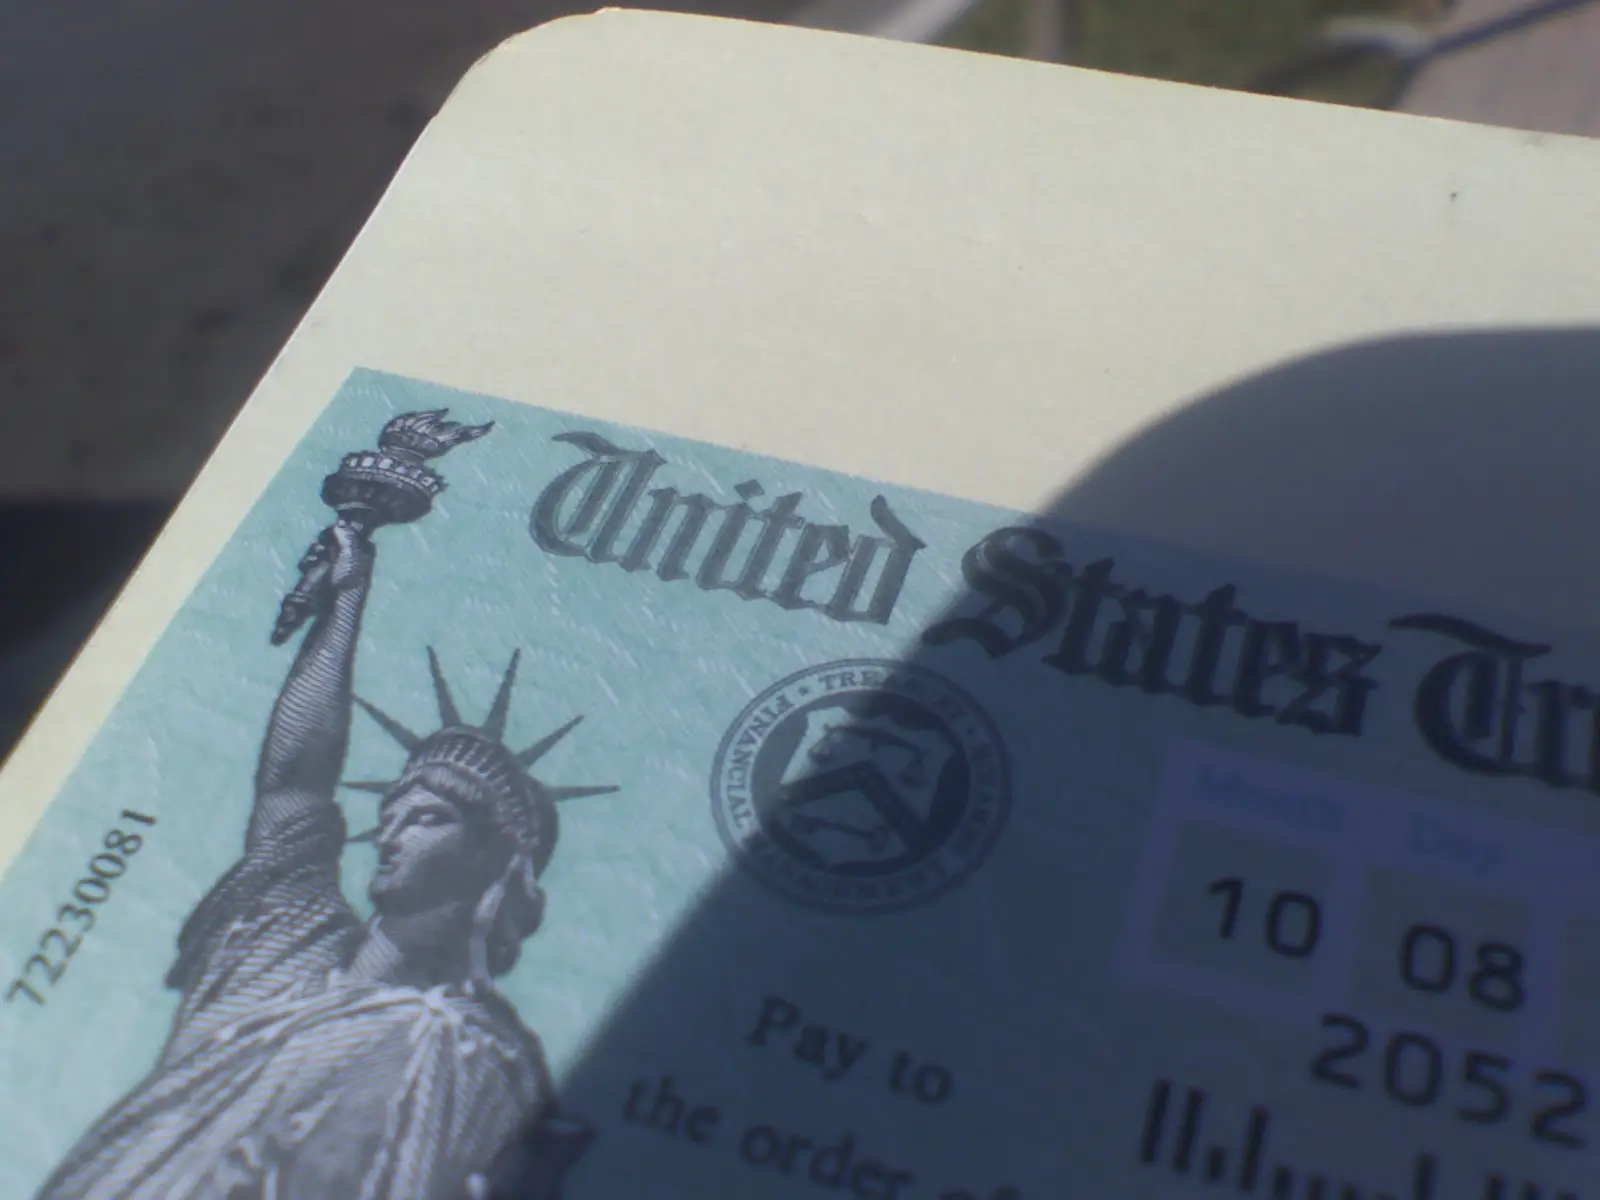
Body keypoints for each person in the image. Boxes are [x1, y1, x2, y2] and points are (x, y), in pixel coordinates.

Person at [37, 520, 611, 1200]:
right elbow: (294, 782)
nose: (390, 833)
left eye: (427, 817)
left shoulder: (484, 1062)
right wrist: (345, 606)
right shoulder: (286, 945)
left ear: (493, 860)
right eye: (390, 811)